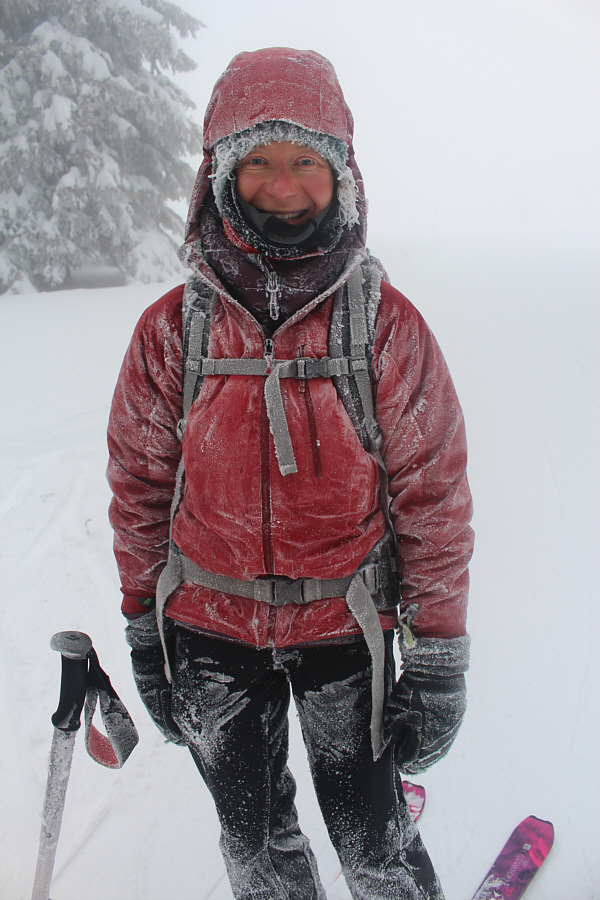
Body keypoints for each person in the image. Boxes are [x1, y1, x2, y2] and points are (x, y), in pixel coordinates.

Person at [107, 47, 474, 900]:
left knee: (374, 847)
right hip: (207, 635)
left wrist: (440, 655)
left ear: (340, 174)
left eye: (305, 161)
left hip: (344, 635)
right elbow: (139, 491)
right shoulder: (173, 333)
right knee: (253, 844)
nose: (282, 184)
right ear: (220, 175)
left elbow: (434, 502)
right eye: (259, 162)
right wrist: (142, 631)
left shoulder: (384, 328)